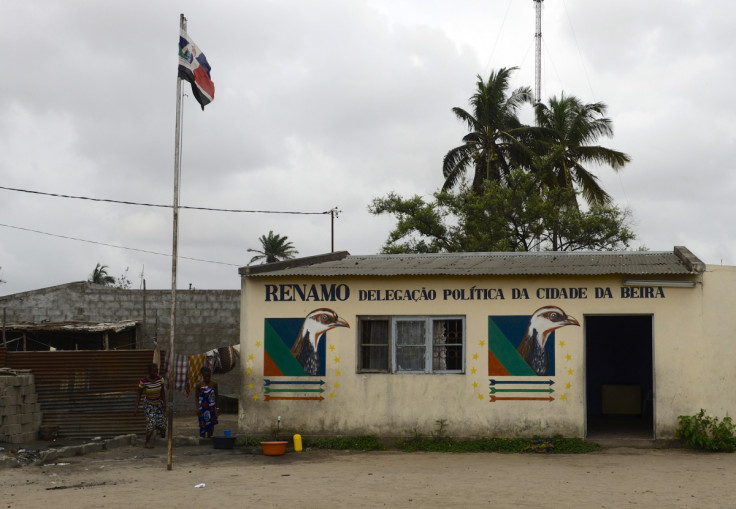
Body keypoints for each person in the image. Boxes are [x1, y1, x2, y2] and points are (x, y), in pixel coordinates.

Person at [134, 363, 167, 448]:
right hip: (149, 405)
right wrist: (136, 407)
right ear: (149, 372)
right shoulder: (144, 382)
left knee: (163, 424)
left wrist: (165, 404)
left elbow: (162, 392)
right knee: (151, 423)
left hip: (159, 403)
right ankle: (147, 442)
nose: (155, 373)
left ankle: (162, 434)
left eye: (157, 371)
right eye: (153, 372)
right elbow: (139, 394)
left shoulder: (160, 380)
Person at [195, 365, 219, 438]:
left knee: (211, 426)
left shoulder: (214, 384)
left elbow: (217, 396)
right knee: (202, 426)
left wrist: (217, 408)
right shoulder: (199, 385)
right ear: (202, 375)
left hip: (211, 408)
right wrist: (197, 408)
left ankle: (209, 440)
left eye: (209, 376)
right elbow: (196, 397)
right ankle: (202, 441)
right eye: (206, 376)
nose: (207, 377)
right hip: (202, 409)